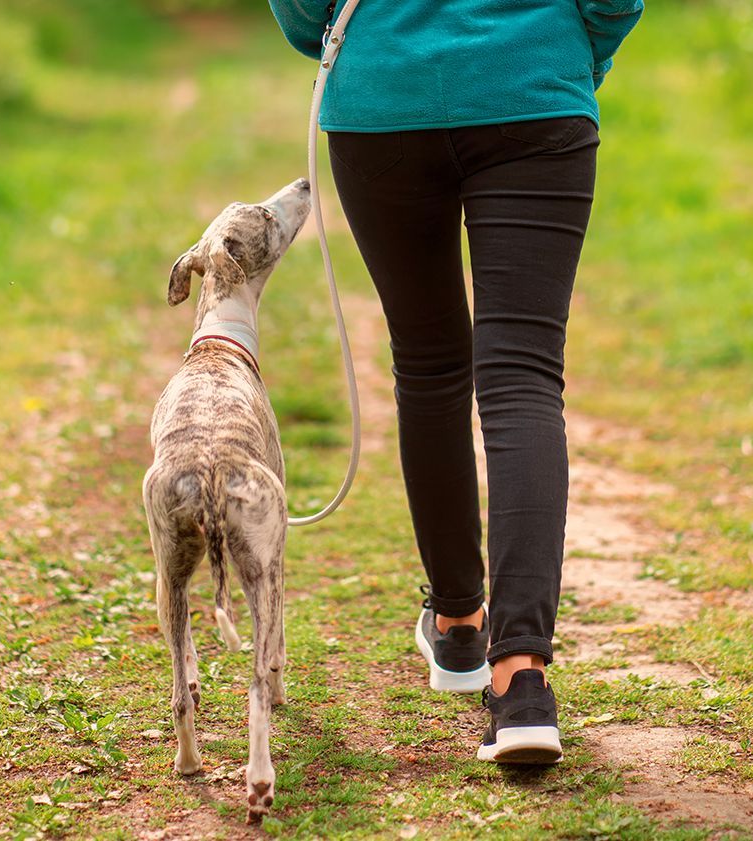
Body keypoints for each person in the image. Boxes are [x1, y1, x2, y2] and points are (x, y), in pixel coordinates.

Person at [267, 0, 643, 763]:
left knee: (429, 362)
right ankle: (522, 682)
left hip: (383, 96)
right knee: (524, 376)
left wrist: (345, 37)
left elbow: (304, 13)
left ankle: (461, 623)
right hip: (535, 84)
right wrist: (575, 50)